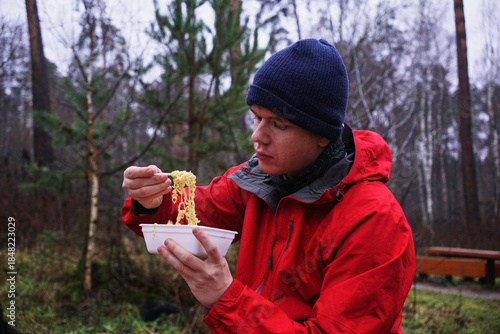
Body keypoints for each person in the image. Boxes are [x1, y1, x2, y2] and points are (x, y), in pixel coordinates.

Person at [122, 38, 415, 333]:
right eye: (256, 118)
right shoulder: (256, 181)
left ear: (323, 134)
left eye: (278, 124)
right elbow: (189, 216)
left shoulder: (374, 220)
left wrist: (227, 300)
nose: (257, 136)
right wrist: (152, 201)